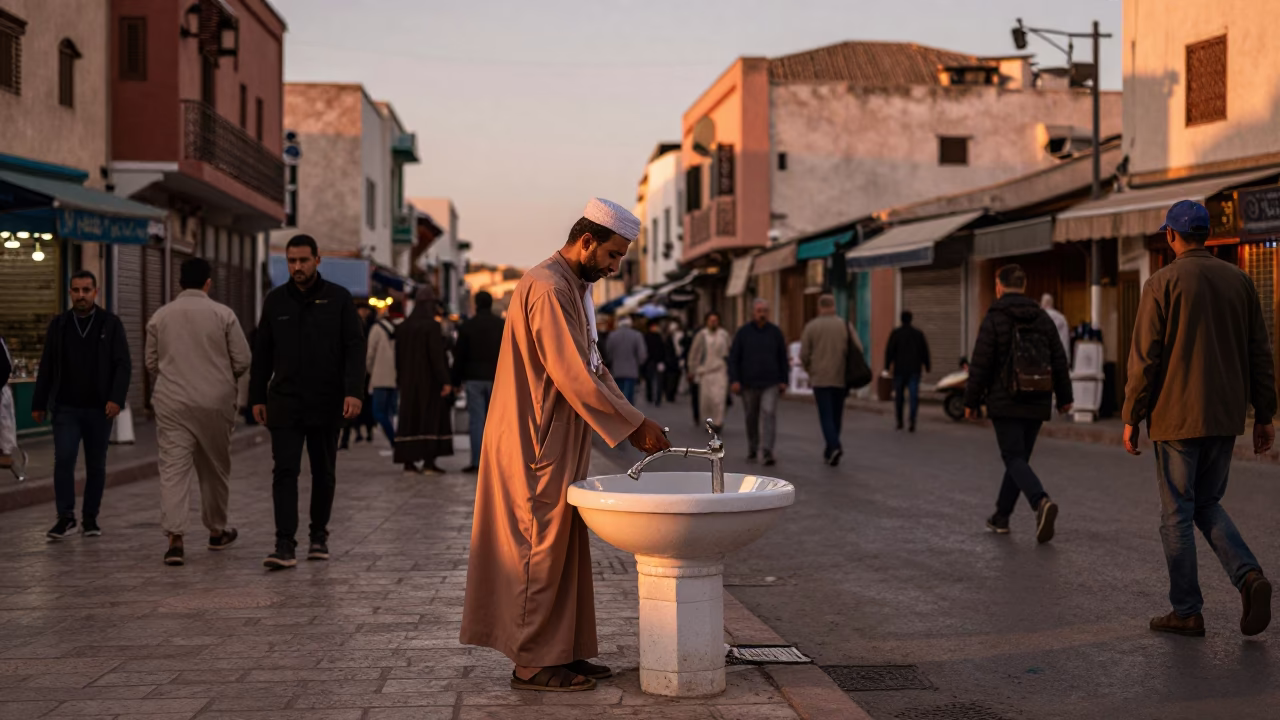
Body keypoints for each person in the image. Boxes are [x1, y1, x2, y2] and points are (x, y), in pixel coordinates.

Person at [461, 198, 670, 693]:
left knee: (564, 543)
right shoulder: (551, 288)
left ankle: (566, 649)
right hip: (538, 436)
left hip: (558, 434)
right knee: (539, 546)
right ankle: (533, 662)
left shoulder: (573, 288)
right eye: (614, 256)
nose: (616, 266)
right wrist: (635, 425)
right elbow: (574, 376)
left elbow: (594, 365)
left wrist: (638, 418)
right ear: (587, 241)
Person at [1123, 200, 1275, 638]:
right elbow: (1260, 354)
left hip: (1176, 418)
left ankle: (1186, 610)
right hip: (1226, 416)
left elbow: (1145, 359)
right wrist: (1265, 416)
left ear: (1171, 235)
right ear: (1206, 234)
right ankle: (1248, 576)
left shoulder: (1161, 283)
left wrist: (1132, 416)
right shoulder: (1241, 281)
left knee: (1176, 514)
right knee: (1207, 503)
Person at [250, 235, 366, 570]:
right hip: (284, 402)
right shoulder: (275, 302)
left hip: (327, 402)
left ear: (318, 260)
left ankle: (319, 536)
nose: (297, 267)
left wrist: (354, 392)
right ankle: (284, 543)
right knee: (284, 471)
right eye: (291, 261)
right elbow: (262, 354)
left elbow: (354, 349)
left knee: (323, 472)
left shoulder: (339, 299)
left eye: (303, 260)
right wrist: (256, 397)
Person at [145, 258, 251, 566]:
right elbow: (243, 359)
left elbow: (151, 362)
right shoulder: (224, 315)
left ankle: (175, 539)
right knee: (215, 468)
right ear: (208, 283)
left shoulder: (160, 317)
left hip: (172, 402)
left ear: (179, 283)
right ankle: (217, 531)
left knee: (173, 470)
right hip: (215, 403)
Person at [965, 264, 1073, 544]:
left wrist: (971, 401)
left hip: (1005, 399)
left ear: (999, 286)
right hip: (1037, 397)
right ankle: (1001, 516)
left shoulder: (995, 317)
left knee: (1013, 458)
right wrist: (1064, 398)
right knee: (1018, 459)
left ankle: (1040, 501)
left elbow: (981, 363)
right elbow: (1059, 359)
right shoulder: (1043, 318)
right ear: (1024, 286)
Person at [32, 270, 131, 540]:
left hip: (99, 409)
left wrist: (116, 399)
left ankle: (90, 518)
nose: (81, 296)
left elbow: (122, 364)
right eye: (76, 290)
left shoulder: (109, 324)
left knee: (96, 465)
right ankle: (65, 516)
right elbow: (47, 365)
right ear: (70, 293)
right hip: (66, 408)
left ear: (95, 292)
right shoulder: (60, 324)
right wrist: (39, 402)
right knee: (64, 459)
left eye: (86, 290)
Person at [395, 285, 454, 475]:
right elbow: (436, 356)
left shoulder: (403, 327)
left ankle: (408, 462)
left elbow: (398, 356)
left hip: (408, 380)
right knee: (429, 418)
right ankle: (429, 462)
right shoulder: (432, 326)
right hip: (429, 382)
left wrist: (400, 377)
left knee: (410, 418)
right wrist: (445, 380)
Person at [729, 299, 788, 466]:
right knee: (751, 416)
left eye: (764, 311)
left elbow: (782, 357)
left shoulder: (775, 332)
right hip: (748, 383)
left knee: (769, 413)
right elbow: (734, 358)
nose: (762, 314)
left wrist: (784, 380)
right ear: (753, 313)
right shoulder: (743, 333)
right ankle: (753, 446)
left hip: (771, 382)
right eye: (759, 311)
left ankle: (768, 450)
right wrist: (734, 379)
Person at [452, 290, 505, 474]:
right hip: (497, 379)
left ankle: (477, 462)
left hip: (473, 378)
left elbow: (459, 356)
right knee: (497, 422)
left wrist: (455, 380)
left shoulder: (467, 326)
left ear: (476, 304)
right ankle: (496, 463)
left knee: (476, 421)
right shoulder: (501, 325)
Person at [802, 294, 857, 466]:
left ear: (819, 307)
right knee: (836, 415)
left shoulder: (811, 327)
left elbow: (804, 354)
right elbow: (858, 348)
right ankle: (830, 449)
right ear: (834, 306)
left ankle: (833, 446)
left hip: (820, 378)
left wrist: (810, 370)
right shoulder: (844, 325)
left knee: (826, 415)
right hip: (841, 378)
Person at [884, 311, 931, 432]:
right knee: (913, 397)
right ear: (911, 319)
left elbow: (889, 351)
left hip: (899, 370)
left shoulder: (896, 334)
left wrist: (887, 366)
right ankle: (912, 421)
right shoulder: (918, 334)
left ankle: (899, 421)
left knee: (899, 397)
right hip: (914, 370)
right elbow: (924, 351)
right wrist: (927, 365)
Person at [365, 301, 404, 446]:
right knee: (391, 412)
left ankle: (394, 440)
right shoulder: (404, 327)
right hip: (397, 378)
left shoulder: (377, 328)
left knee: (378, 412)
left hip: (380, 378)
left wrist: (369, 371)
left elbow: (370, 354)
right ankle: (395, 439)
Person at [340, 302, 378, 449]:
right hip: (353, 371)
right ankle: (349, 437)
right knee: (351, 405)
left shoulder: (371, 325)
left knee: (364, 404)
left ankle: (365, 432)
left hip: (363, 371)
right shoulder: (355, 325)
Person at [688, 312, 731, 432]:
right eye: (711, 320)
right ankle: (709, 420)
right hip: (705, 372)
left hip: (720, 370)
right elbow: (694, 353)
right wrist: (692, 369)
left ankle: (718, 422)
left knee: (719, 398)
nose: (713, 322)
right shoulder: (702, 335)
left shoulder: (724, 335)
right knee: (707, 400)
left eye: (715, 320)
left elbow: (729, 350)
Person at [604, 316, 646, 404]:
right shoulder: (637, 335)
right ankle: (629, 414)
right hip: (632, 370)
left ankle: (621, 413)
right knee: (629, 396)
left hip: (616, 370)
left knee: (618, 395)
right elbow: (642, 354)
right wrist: (639, 364)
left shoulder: (612, 336)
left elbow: (608, 352)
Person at [1041, 293, 1071, 369]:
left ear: (1043, 303)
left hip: (1046, 360)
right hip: (1062, 357)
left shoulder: (1041, 317)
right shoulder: (1061, 317)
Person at [643, 319, 667, 407]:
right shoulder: (647, 336)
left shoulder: (659, 336)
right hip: (650, 361)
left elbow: (663, 349)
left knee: (659, 381)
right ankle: (650, 396)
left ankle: (657, 398)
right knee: (650, 380)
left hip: (658, 361)